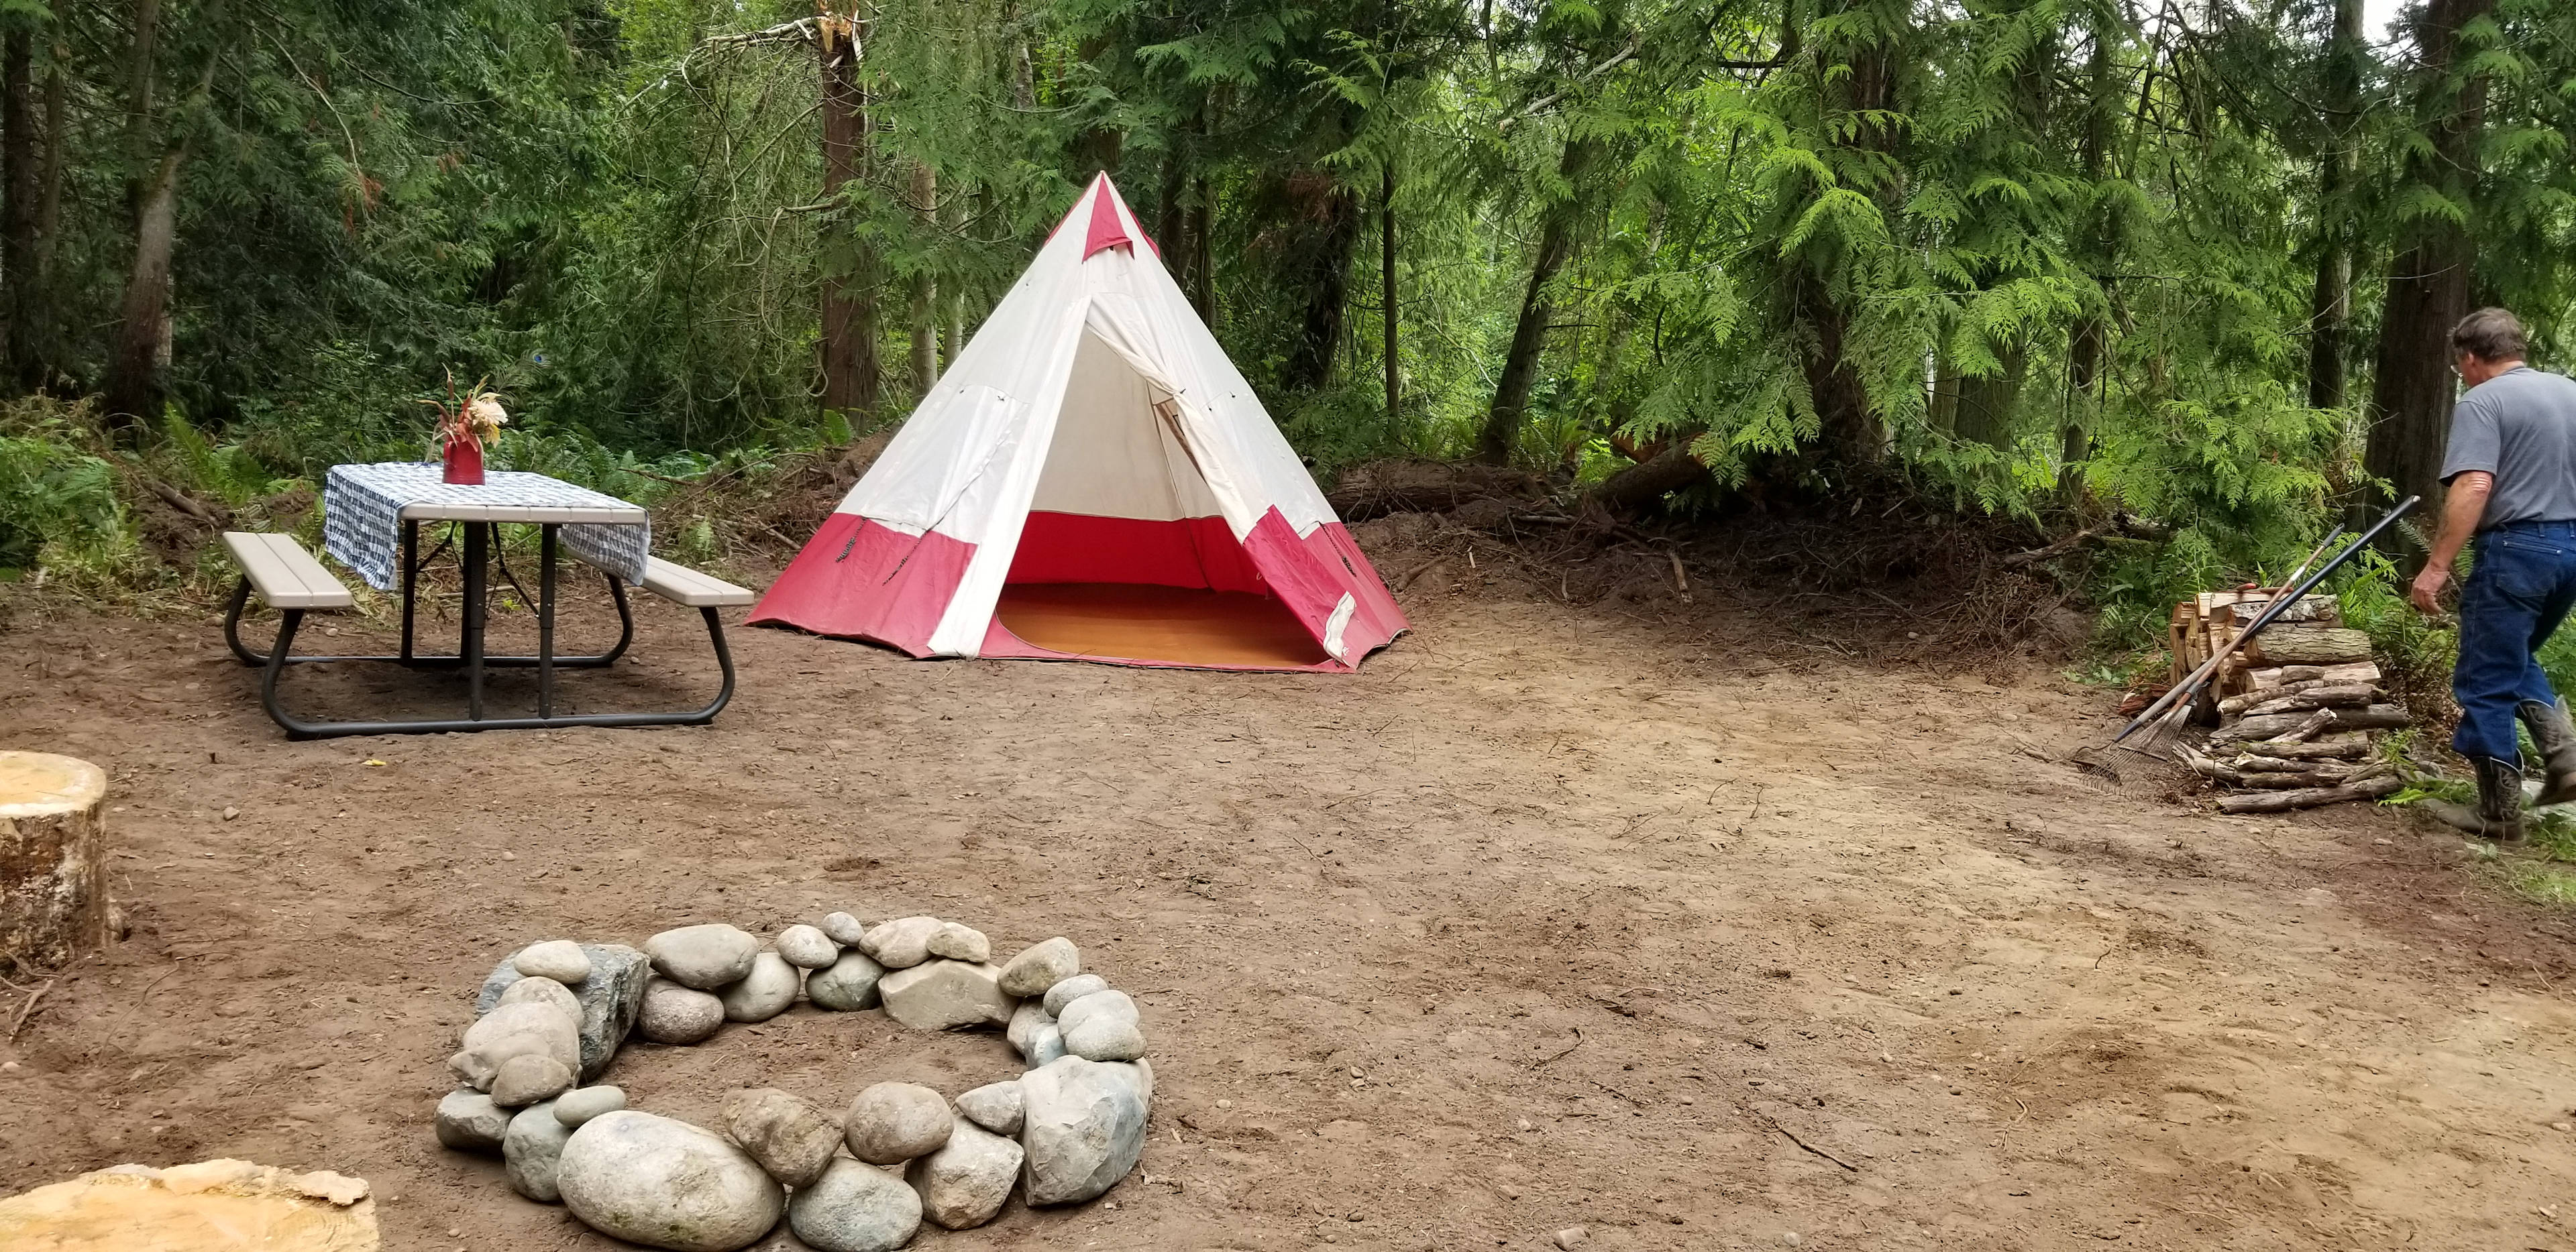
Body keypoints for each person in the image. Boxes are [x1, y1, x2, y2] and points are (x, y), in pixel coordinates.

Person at [2411, 307, 2576, 840]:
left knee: (2484, 676)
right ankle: (2566, 757)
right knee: (2513, 656)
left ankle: (2500, 814)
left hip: (2515, 551)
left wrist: (2437, 566)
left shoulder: (2484, 401)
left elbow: (2476, 484)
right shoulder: (2570, 393)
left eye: (2459, 365)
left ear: (2470, 358)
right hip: (2570, 550)